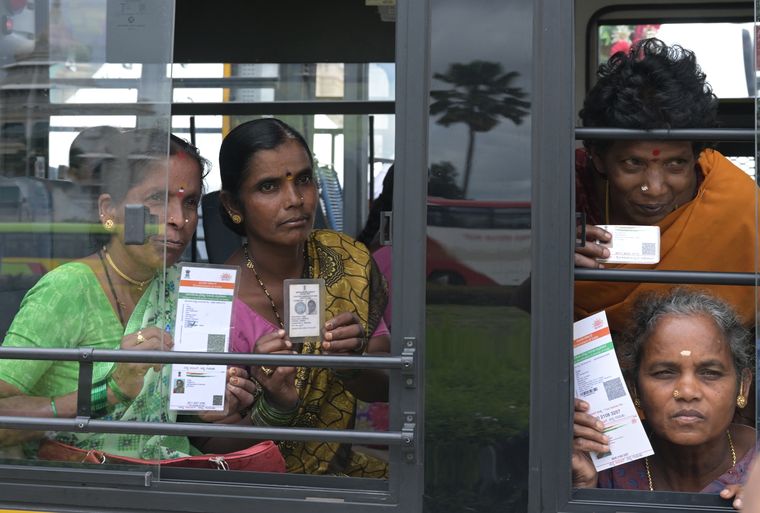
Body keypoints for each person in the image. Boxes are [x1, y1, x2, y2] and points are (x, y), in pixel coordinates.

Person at [0, 127, 255, 460]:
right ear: (109, 211)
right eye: (157, 200)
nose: (179, 219)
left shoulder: (185, 292)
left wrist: (211, 404)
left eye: (189, 202)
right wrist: (110, 391)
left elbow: (173, 426)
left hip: (167, 481)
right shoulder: (68, 290)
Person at [218, 118, 390, 477]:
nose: (295, 200)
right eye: (268, 187)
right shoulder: (215, 301)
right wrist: (276, 406)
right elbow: (207, 447)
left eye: (304, 179)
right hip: (249, 493)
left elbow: (387, 388)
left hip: (337, 482)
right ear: (234, 203)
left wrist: (352, 362)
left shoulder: (347, 260)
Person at [574, 38, 758, 333]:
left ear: (697, 158)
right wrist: (555, 260)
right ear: (598, 158)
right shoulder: (569, 188)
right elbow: (518, 301)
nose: (655, 188)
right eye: (633, 164)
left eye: (676, 164)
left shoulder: (738, 204)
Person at [573, 288, 753, 508]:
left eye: (710, 373)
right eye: (664, 373)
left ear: (743, 386)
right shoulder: (605, 466)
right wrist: (581, 494)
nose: (687, 392)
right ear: (634, 388)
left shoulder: (757, 473)